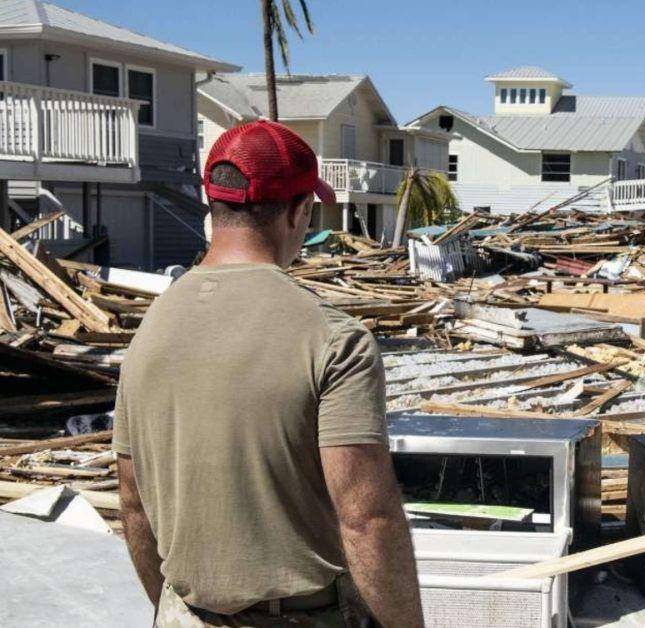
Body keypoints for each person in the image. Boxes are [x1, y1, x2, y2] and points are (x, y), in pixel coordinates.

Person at [115, 120, 424, 628]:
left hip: (184, 613)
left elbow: (134, 505)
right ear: (300, 212)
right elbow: (367, 520)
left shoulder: (151, 328)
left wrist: (173, 608)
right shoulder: (334, 339)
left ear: (215, 206)